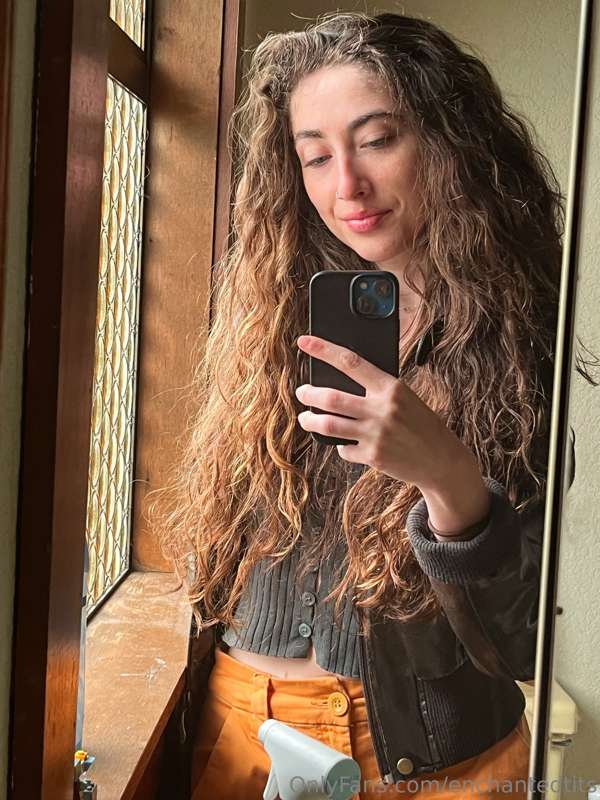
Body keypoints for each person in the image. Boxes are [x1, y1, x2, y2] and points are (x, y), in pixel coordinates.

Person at [149, 11, 562, 800]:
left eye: (376, 141)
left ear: (448, 143)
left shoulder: (523, 350)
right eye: (315, 156)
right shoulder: (266, 320)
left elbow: (521, 646)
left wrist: (451, 485)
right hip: (244, 739)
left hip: (442, 765)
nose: (347, 187)